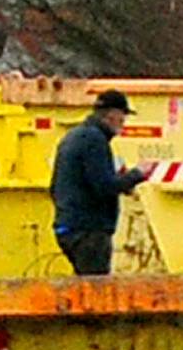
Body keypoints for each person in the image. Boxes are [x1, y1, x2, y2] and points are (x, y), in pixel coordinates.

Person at [50, 89, 148, 276]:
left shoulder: (74, 136)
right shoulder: (94, 140)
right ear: (112, 115)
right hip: (89, 231)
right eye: (123, 116)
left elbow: (56, 186)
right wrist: (137, 174)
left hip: (68, 227)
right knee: (96, 288)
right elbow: (105, 186)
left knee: (84, 285)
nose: (124, 122)